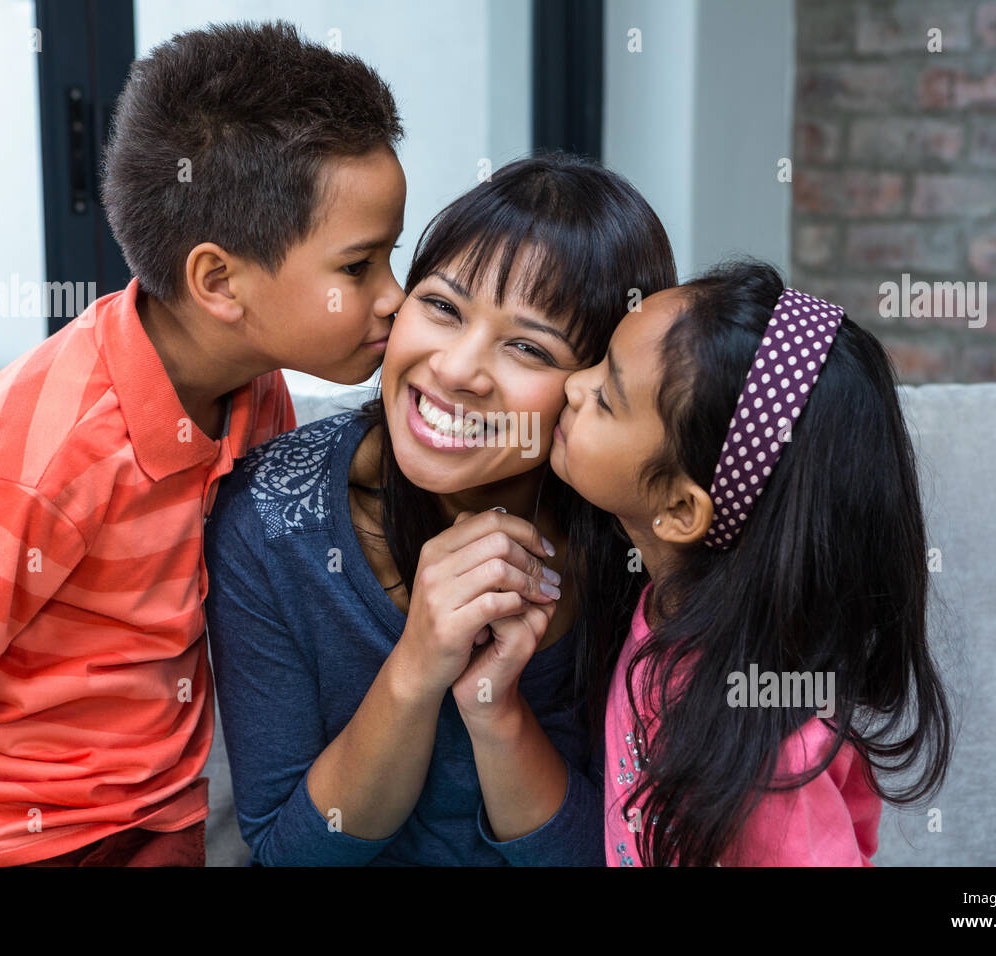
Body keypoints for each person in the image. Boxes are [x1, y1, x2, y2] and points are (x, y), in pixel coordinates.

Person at [0, 20, 406, 866]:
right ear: (220, 282)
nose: (396, 298)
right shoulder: (41, 454)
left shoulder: (257, 390)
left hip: (153, 830)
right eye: (360, 268)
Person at [204, 153, 677, 865]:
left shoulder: (639, 543)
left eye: (526, 346)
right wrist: (417, 665)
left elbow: (634, 854)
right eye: (443, 307)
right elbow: (289, 852)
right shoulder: (271, 521)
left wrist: (497, 713)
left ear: (595, 387)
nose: (455, 370)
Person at [550, 260, 953, 866]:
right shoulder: (663, 597)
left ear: (682, 509)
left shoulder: (771, 763)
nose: (572, 385)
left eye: (606, 397)